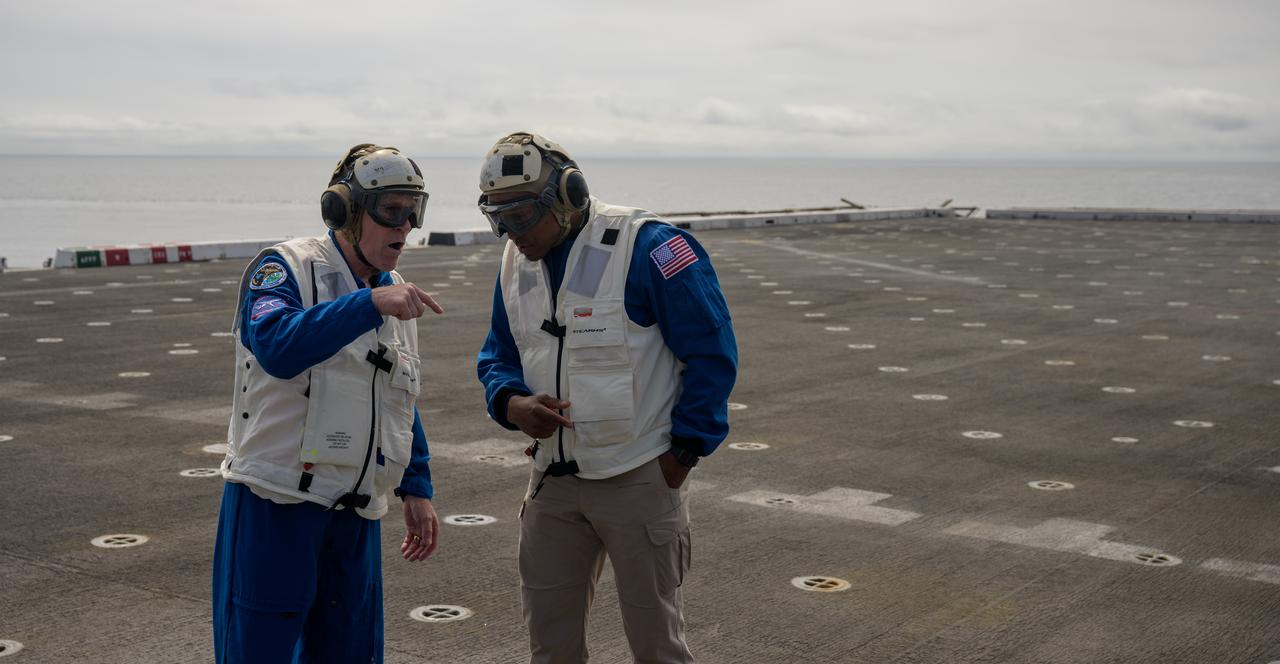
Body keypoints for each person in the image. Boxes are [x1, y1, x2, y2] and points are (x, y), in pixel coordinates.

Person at [475, 132, 738, 663]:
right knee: (550, 646)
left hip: (639, 476)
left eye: (521, 215)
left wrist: (683, 453)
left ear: (567, 195)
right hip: (553, 484)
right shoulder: (514, 263)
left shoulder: (651, 246)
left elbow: (713, 352)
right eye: (497, 218)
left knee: (657, 645)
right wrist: (510, 403)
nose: (510, 232)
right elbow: (498, 355)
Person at [213, 144, 444, 664]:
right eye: (391, 210)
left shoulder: (396, 292)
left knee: (352, 652)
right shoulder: (284, 268)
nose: (405, 226)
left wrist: (417, 487)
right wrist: (366, 304)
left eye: (414, 211)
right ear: (345, 209)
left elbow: (398, 398)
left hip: (355, 515)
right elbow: (276, 347)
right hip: (276, 507)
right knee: (259, 650)